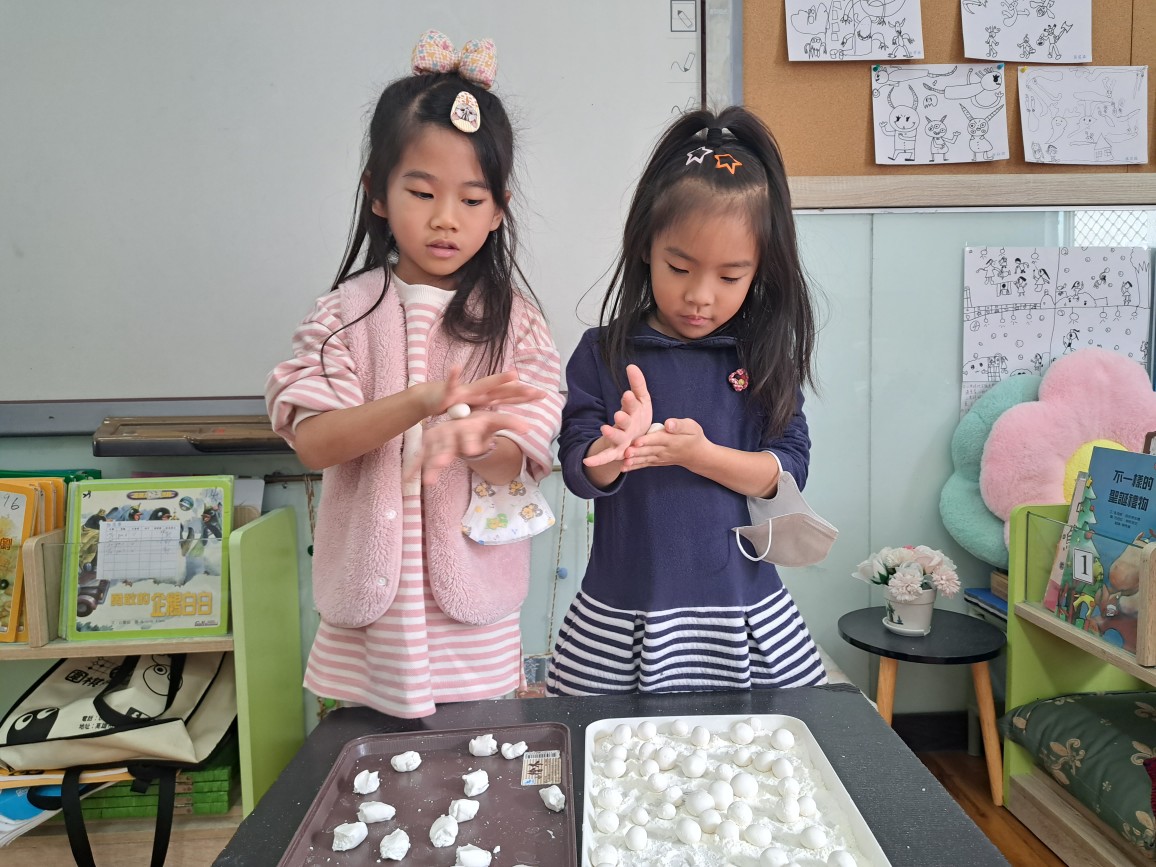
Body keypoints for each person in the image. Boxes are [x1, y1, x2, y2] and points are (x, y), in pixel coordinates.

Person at [267, 30, 563, 719]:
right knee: (373, 763)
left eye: (471, 200)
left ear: (499, 209)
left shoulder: (516, 324)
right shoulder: (340, 315)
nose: (444, 219)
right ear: (377, 192)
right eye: (422, 192)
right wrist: (421, 402)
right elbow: (314, 442)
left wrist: (477, 440)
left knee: (475, 757)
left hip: (472, 618)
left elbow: (517, 457)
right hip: (370, 617)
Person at [546, 106, 827, 695]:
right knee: (603, 743)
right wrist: (613, 451)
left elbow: (788, 470)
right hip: (626, 610)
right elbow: (579, 471)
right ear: (647, 246)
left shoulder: (760, 355)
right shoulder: (603, 351)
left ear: (760, 270)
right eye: (680, 267)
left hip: (740, 611)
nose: (700, 296)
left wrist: (700, 456)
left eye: (729, 277)